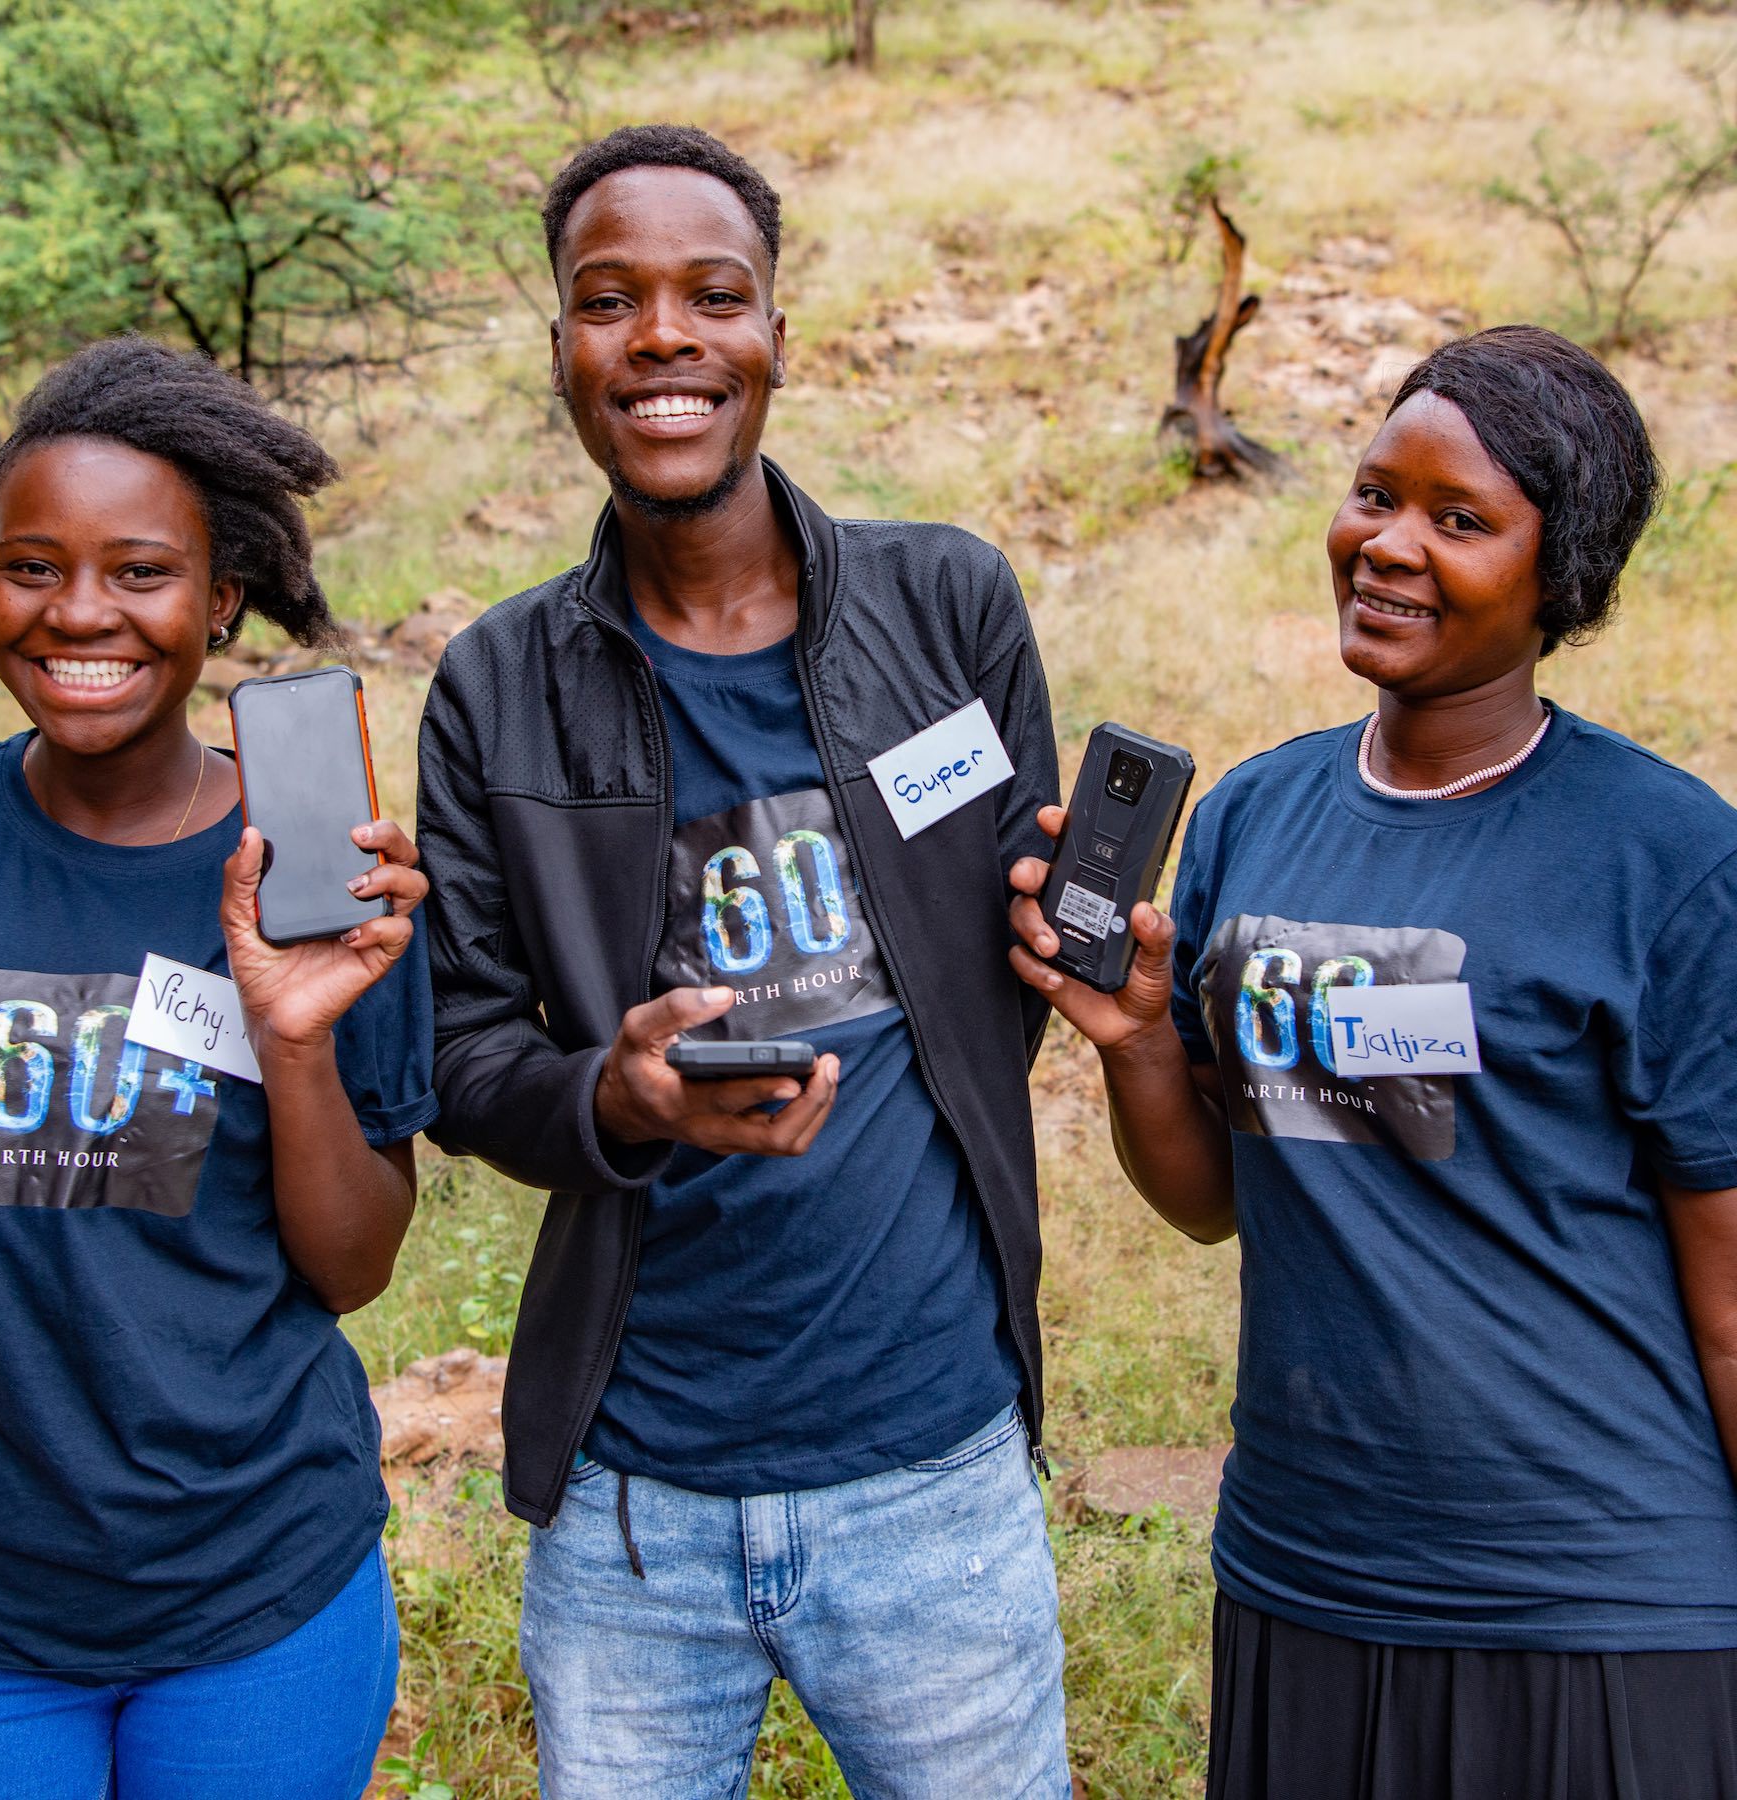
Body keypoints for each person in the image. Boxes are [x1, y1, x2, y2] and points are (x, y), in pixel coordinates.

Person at [415, 125, 1074, 1796]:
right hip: (636, 1505)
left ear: (777, 329)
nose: (662, 338)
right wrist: (623, 1102)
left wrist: (1078, 947)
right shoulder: (495, 688)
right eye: (605, 298)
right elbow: (469, 1064)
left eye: (715, 295)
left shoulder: (951, 607)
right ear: (559, 344)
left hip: (935, 1473)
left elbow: (1010, 985)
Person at [1007, 325, 1737, 1799]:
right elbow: (1215, 1199)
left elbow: (1731, 1307)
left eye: (1460, 521)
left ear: (1565, 572)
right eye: (1373, 495)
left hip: (1595, 1598)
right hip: (1307, 1560)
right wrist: (1143, 1039)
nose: (1389, 546)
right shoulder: (1256, 815)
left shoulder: (1665, 859)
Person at [0, 337, 436, 1799]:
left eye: (139, 572)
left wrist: (293, 1034)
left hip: (260, 1589)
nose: (80, 615)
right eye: (32, 566)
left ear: (219, 598)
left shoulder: (310, 875)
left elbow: (355, 1265)